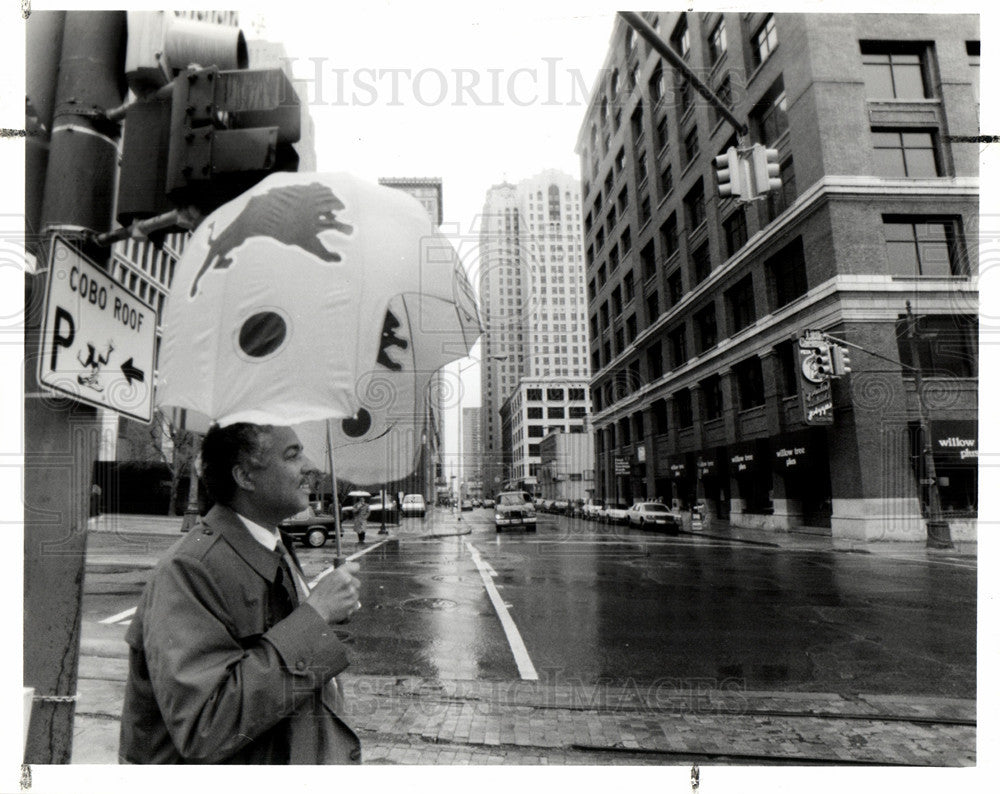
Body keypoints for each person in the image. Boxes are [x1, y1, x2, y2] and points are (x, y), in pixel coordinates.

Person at [119, 423, 363, 764]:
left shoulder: (273, 545)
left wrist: (325, 614)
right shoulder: (190, 569)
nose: (310, 466)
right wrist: (315, 617)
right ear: (245, 476)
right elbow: (204, 725)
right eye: (293, 455)